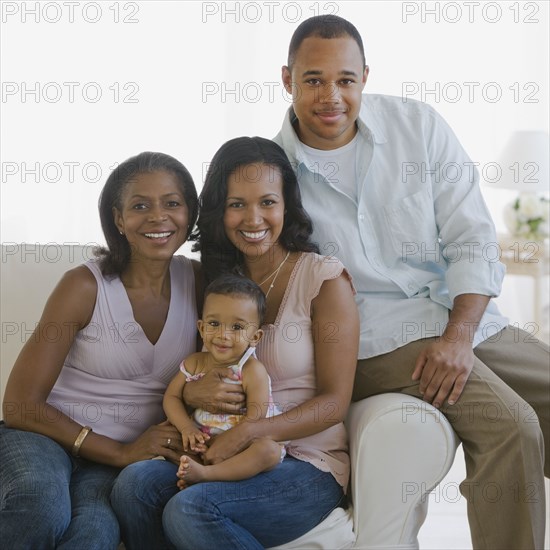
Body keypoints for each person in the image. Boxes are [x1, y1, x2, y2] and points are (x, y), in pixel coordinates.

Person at [272, 14, 549, 550]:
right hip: (372, 340)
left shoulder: (417, 126)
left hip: (460, 318)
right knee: (512, 427)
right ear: (287, 79)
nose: (331, 96)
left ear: (365, 76)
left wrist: (460, 335)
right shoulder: (273, 170)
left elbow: (471, 235)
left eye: (345, 80)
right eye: (313, 80)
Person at [111, 136, 359, 549]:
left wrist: (248, 433)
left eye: (267, 202)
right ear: (218, 211)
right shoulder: (213, 282)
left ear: (286, 206)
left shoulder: (324, 280)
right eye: (236, 204)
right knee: (133, 484)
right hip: (217, 444)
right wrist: (192, 394)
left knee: (190, 508)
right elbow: (198, 365)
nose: (253, 218)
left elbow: (335, 402)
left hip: (303, 464)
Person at [0, 151, 201, 549]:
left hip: (115, 461)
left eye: (172, 203)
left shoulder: (199, 281)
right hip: (42, 437)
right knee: (42, 508)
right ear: (118, 219)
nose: (158, 217)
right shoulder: (83, 286)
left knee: (94, 535)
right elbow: (20, 405)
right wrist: (122, 451)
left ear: (190, 213)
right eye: (140, 205)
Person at [164, 274, 286, 487]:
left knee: (269, 451)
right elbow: (171, 397)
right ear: (201, 328)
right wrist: (186, 428)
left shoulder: (251, 370)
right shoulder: (195, 363)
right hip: (201, 440)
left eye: (237, 328)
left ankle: (206, 475)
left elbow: (255, 418)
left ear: (255, 337)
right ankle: (193, 469)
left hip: (241, 444)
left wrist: (228, 443)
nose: (223, 335)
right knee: (166, 436)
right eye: (214, 323)